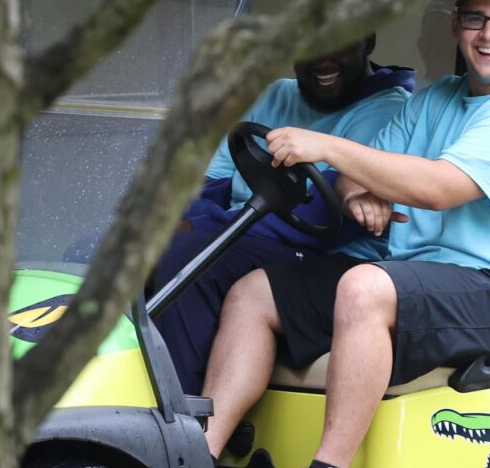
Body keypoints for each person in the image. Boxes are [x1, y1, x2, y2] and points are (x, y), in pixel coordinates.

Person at [202, 0, 490, 468]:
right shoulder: (437, 100)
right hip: (416, 277)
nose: (488, 35)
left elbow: (438, 186)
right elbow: (360, 172)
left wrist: (330, 148)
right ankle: (196, 467)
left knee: (364, 286)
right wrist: (359, 191)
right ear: (455, 25)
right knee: (255, 291)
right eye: (475, 19)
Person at [153, 37, 414, 394]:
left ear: (368, 42)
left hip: (327, 252)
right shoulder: (275, 93)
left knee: (189, 258)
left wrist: (195, 231)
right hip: (244, 232)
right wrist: (179, 222)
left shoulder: (388, 107)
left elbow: (324, 217)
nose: (322, 57)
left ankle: (178, 413)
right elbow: (213, 181)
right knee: (98, 251)